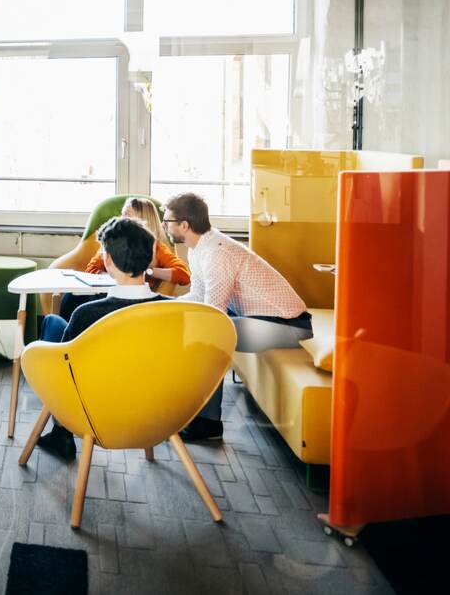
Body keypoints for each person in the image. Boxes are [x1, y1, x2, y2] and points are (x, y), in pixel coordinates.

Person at [164, 192, 313, 442]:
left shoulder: (217, 253)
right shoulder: (199, 249)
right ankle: (188, 412)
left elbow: (213, 314)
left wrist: (174, 315)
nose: (164, 226)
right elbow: (199, 296)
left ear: (184, 225)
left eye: (166, 221)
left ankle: (208, 424)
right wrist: (162, 306)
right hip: (261, 320)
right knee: (201, 330)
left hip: (289, 325)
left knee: (209, 335)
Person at [36, 217, 168, 461]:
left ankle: (61, 432)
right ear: (150, 257)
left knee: (52, 324)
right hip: (155, 408)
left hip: (95, 407)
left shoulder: (88, 313)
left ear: (107, 259)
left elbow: (66, 369)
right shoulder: (173, 312)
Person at [61, 197, 192, 320]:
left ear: (142, 220)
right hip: (110, 292)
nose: (121, 218)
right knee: (71, 298)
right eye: (122, 214)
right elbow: (92, 268)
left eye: (127, 215)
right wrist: (114, 272)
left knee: (55, 319)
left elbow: (183, 274)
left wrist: (149, 270)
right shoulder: (112, 244)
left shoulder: (156, 248)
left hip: (136, 302)